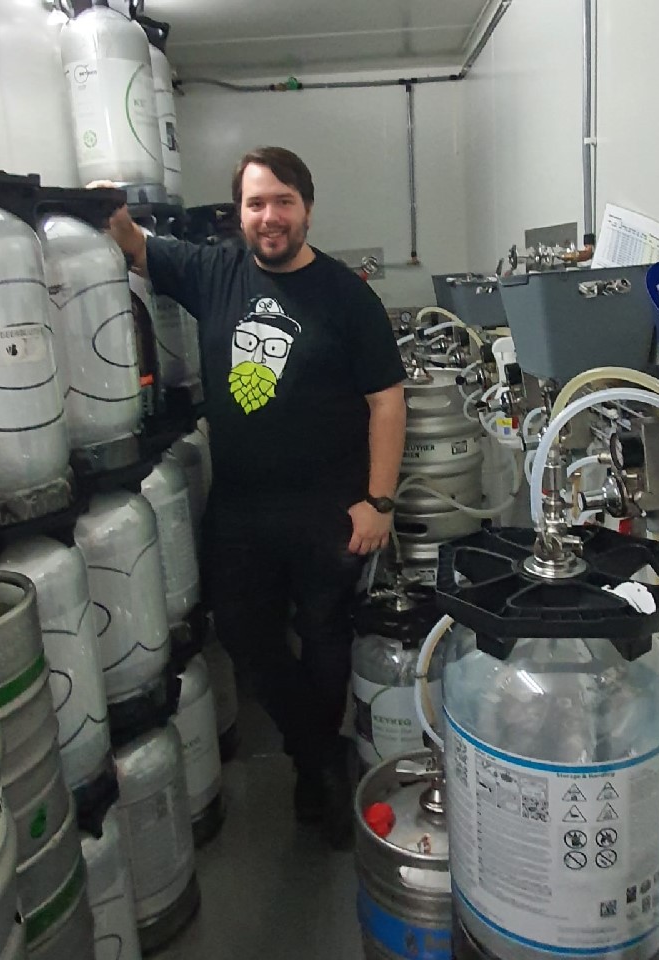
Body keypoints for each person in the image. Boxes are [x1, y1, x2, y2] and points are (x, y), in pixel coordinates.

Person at [101, 147, 406, 849]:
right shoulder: (215, 272)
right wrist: (107, 209)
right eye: (256, 203)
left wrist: (379, 502)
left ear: (308, 209)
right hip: (241, 507)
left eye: (283, 202)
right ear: (240, 213)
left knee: (325, 637)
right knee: (243, 632)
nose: (270, 217)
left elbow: (387, 402)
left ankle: (314, 772)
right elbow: (136, 245)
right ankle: (319, 753)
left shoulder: (346, 295)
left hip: (330, 507)